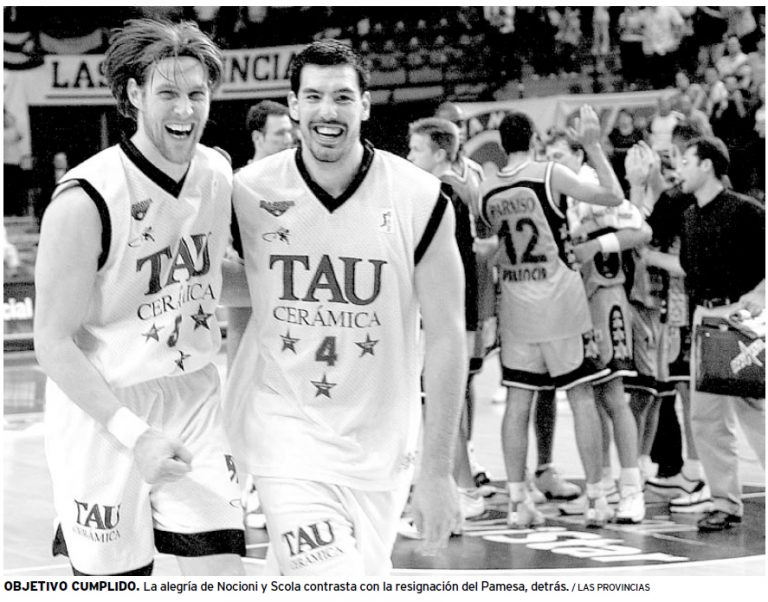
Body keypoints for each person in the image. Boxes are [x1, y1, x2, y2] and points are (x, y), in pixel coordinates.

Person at [225, 40, 466, 575]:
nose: (326, 111)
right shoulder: (248, 191)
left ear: (366, 104)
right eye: (312, 96)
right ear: (292, 105)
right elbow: (227, 283)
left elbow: (448, 335)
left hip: (381, 446)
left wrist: (437, 469)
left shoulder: (419, 198)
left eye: (341, 97)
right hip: (286, 435)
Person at [33, 19, 245, 576]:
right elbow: (52, 343)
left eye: (196, 94)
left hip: (193, 394)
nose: (185, 110)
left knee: (222, 573)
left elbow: (211, 276)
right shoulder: (85, 199)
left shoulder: (217, 173)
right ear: (134, 94)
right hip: (106, 409)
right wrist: (134, 433)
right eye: (168, 93)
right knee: (116, 581)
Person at [478, 106, 623, 529]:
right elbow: (613, 196)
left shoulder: (488, 190)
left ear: (501, 146)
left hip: (517, 308)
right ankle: (597, 499)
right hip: (561, 303)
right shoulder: (549, 174)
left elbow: (488, 247)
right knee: (580, 398)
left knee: (518, 404)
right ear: (535, 140)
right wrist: (594, 147)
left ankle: (518, 504)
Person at [544, 129, 650, 525]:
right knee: (584, 399)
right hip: (571, 302)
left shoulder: (590, 186)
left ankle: (631, 489)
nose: (551, 159)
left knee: (614, 396)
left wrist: (595, 246)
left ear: (578, 154)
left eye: (557, 153)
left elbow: (641, 230)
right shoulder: (557, 193)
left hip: (604, 299)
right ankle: (599, 489)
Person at [677, 136, 765, 532]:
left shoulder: (747, 211)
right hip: (704, 316)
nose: (679, 169)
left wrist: (759, 295)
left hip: (739, 314)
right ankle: (724, 502)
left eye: (685, 161)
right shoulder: (690, 215)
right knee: (705, 418)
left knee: (754, 411)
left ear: (707, 165)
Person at [406, 116, 485, 523]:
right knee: (451, 400)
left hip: (447, 315)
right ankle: (460, 484)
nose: (408, 157)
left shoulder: (438, 194)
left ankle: (463, 489)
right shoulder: (462, 188)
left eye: (416, 150)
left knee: (439, 403)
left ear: (439, 154)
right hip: (464, 310)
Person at [226, 100, 295, 531]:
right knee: (243, 395)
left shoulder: (299, 184)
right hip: (248, 307)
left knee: (286, 401)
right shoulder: (237, 187)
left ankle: (276, 488)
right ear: (257, 138)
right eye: (280, 134)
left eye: (291, 133)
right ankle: (240, 486)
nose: (289, 140)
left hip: (292, 312)